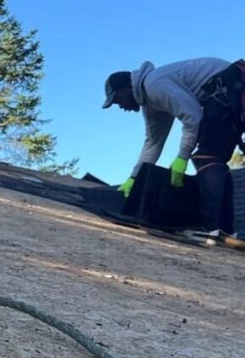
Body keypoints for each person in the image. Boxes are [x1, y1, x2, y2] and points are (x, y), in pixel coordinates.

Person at [103, 57, 245, 243]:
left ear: (127, 88)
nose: (121, 106)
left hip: (230, 86)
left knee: (207, 158)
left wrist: (182, 157)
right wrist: (134, 177)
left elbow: (193, 115)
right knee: (214, 158)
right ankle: (225, 230)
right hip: (230, 89)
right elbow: (153, 143)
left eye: (118, 99)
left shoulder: (154, 85)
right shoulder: (151, 104)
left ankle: (209, 227)